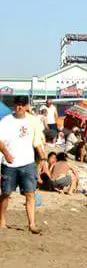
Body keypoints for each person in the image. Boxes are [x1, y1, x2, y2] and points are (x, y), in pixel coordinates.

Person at [0, 96, 45, 234]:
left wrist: (43, 156)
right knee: (6, 193)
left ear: (26, 106)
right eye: (17, 104)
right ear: (14, 105)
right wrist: (6, 154)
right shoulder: (6, 121)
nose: (19, 107)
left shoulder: (32, 121)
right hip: (9, 164)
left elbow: (36, 140)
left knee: (30, 193)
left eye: (22, 105)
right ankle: (2, 220)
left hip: (28, 163)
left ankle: (31, 224)